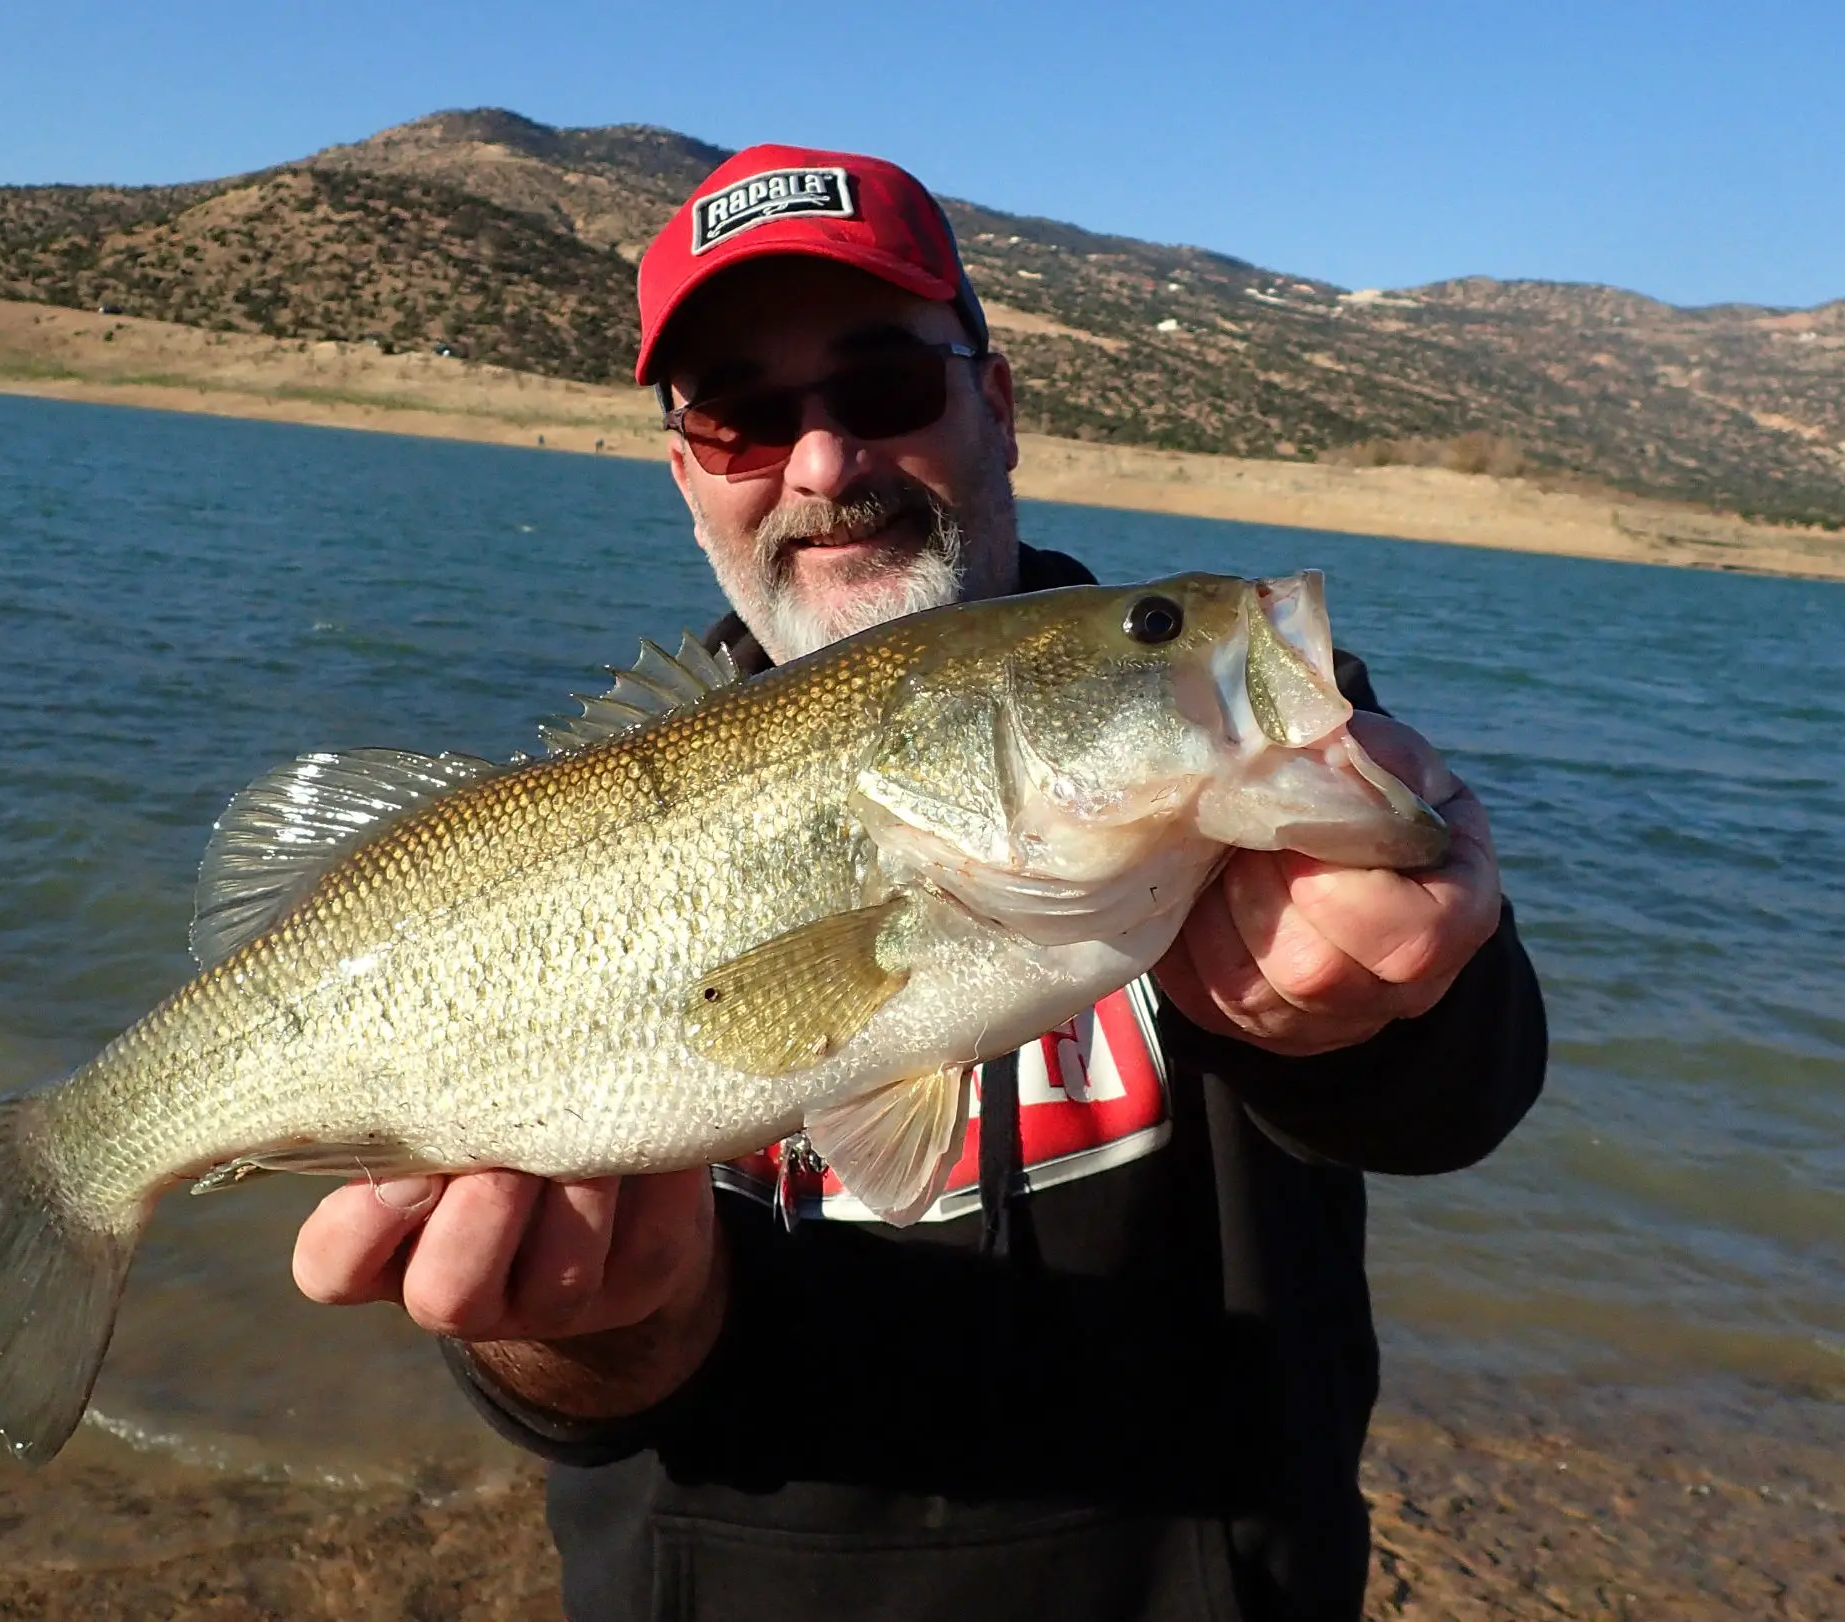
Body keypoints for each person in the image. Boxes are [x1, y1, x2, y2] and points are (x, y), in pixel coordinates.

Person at [291, 145, 1546, 1621]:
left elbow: (1460, 1094)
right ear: (688, 469)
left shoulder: (1216, 740)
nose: (825, 465)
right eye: (743, 416)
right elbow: (582, 1401)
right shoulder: (571, 817)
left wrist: (1378, 1012)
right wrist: (586, 1331)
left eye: (885, 384)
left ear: (996, 407)